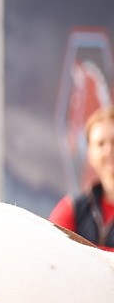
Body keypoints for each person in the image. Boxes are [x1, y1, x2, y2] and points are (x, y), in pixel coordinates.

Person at [50, 106, 114, 249]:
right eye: (100, 144)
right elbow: (51, 251)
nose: (109, 150)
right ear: (90, 154)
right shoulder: (72, 208)